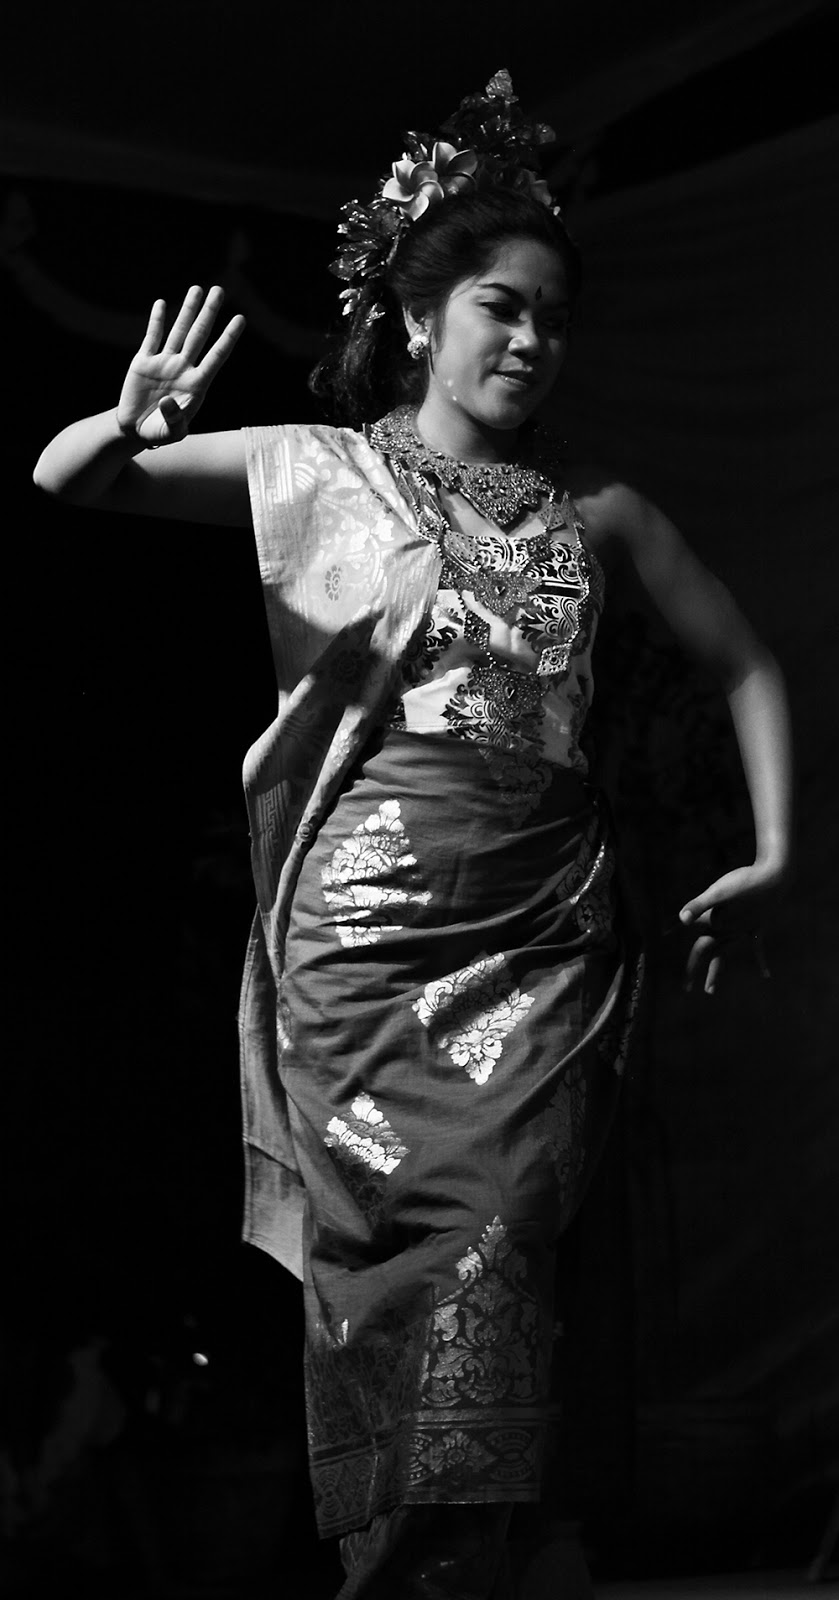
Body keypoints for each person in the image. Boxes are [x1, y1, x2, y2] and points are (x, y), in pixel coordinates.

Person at [34, 71, 792, 1600]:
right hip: (366, 954)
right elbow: (69, 480)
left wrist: (782, 854)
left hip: (544, 948)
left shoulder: (600, 512)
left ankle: (448, 1567)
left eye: (555, 318)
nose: (530, 340)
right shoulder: (325, 470)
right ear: (420, 316)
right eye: (502, 306)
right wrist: (125, 421)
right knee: (399, 1278)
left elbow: (748, 663)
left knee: (501, 1248)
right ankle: (416, 1573)